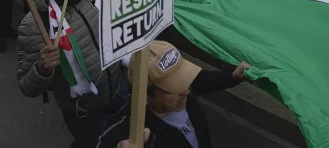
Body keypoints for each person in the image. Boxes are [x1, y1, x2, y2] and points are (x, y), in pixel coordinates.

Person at [17, 0, 126, 148]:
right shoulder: (36, 24)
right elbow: (27, 86)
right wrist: (42, 69)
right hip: (84, 112)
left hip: (119, 91)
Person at [97, 40, 250, 148]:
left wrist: (232, 77)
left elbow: (203, 80)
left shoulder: (185, 90)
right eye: (174, 86)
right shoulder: (132, 129)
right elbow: (108, 140)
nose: (186, 90)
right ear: (146, 96)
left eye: (183, 78)